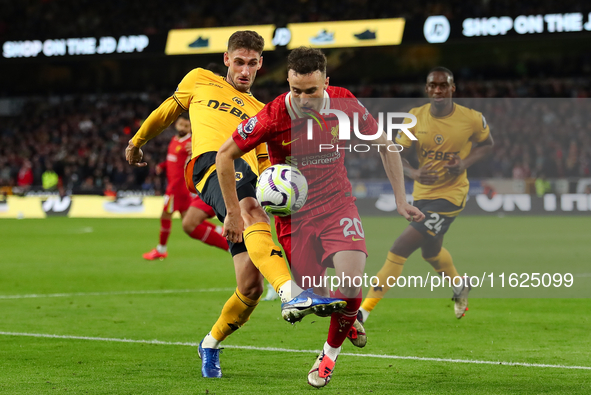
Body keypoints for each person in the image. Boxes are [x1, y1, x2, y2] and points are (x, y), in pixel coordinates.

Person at [125, 31, 346, 379]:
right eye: (239, 62)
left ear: (261, 65)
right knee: (250, 209)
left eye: (252, 63)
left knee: (250, 287)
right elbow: (167, 111)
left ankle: (209, 344)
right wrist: (137, 142)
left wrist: (281, 184)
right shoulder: (200, 79)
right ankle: (292, 293)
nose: (244, 70)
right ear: (227, 59)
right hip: (210, 164)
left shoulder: (261, 111)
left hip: (243, 177)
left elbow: (263, 162)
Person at [216, 46, 424, 388]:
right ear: (287, 82)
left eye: (311, 91)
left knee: (351, 283)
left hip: (338, 205)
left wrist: (402, 201)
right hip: (293, 218)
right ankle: (349, 314)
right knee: (320, 297)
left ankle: (328, 355)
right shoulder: (272, 116)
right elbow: (224, 155)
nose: (303, 98)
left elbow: (385, 145)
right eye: (296, 90)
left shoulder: (344, 102)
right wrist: (233, 212)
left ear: (326, 83)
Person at [359, 67, 494, 322]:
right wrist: (414, 174)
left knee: (400, 247)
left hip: (451, 197)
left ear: (452, 88)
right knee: (430, 253)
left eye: (444, 85)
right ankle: (459, 284)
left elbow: (487, 145)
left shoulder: (472, 119)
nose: (438, 90)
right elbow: (396, 152)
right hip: (422, 195)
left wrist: (464, 164)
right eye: (433, 85)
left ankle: (363, 312)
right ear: (427, 88)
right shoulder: (415, 117)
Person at [142, 112, 229, 261]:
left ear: (190, 127)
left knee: (165, 216)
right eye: (181, 124)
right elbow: (173, 162)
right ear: (176, 124)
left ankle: (161, 249)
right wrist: (162, 166)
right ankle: (219, 230)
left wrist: (195, 148)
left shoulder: (191, 143)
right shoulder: (174, 140)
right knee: (189, 220)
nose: (182, 127)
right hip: (174, 187)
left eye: (186, 126)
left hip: (177, 189)